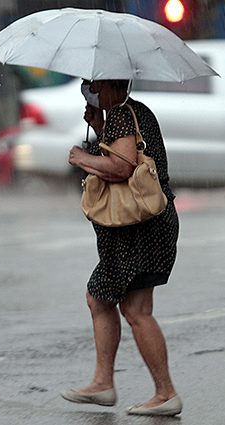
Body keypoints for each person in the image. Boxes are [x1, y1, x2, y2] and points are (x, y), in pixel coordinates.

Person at [62, 79, 182, 416]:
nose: (88, 87)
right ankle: (104, 383)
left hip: (139, 230)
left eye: (93, 83)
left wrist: (83, 158)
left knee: (130, 308)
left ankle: (164, 393)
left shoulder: (120, 114)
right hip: (142, 227)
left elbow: (123, 167)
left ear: (107, 83)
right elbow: (123, 153)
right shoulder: (131, 113)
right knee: (108, 299)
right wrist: (100, 128)